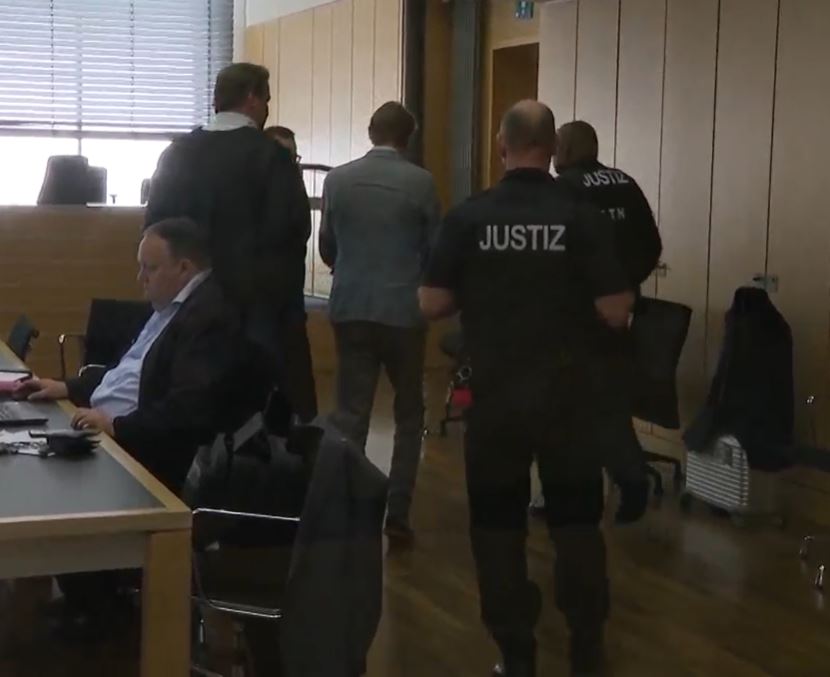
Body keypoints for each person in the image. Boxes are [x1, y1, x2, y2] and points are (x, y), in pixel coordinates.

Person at [419, 101, 634, 677]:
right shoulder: (583, 215)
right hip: (570, 395)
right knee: (575, 520)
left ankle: (515, 648)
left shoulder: (470, 216)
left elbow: (433, 303)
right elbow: (616, 311)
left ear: (501, 144)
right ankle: (586, 642)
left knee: (496, 523)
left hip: (493, 396)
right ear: (553, 149)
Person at [16, 217, 252, 637]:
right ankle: (89, 600)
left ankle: (103, 613)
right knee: (33, 462)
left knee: (50, 483)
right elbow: (128, 374)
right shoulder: (171, 310)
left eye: (150, 267)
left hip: (147, 455)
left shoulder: (207, 318)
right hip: (114, 432)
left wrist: (116, 426)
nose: (139, 278)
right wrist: (64, 385)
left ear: (184, 268)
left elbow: (189, 410)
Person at [145, 63, 311, 415]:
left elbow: (154, 231)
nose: (267, 108)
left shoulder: (175, 154)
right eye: (266, 99)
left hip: (182, 308)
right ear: (252, 98)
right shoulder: (272, 158)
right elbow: (291, 237)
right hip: (250, 319)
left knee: (179, 407)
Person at [319, 101, 441, 542]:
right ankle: (399, 512)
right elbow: (435, 250)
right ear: (408, 137)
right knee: (409, 413)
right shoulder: (421, 183)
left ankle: (347, 505)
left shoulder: (338, 179)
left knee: (350, 412)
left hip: (351, 305)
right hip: (404, 311)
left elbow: (327, 246)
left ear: (370, 131)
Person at [555, 120, 663, 522]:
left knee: (567, 407)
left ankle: (575, 497)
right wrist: (624, 286)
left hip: (574, 317)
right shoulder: (625, 182)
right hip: (618, 316)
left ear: (564, 151)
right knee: (608, 401)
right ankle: (629, 476)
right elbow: (651, 245)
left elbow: (557, 254)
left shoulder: (563, 189)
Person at [259, 124, 319, 423]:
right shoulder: (256, 191)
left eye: (293, 157)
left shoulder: (295, 188)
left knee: (299, 389)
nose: (290, 163)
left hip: (290, 301)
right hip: (260, 303)